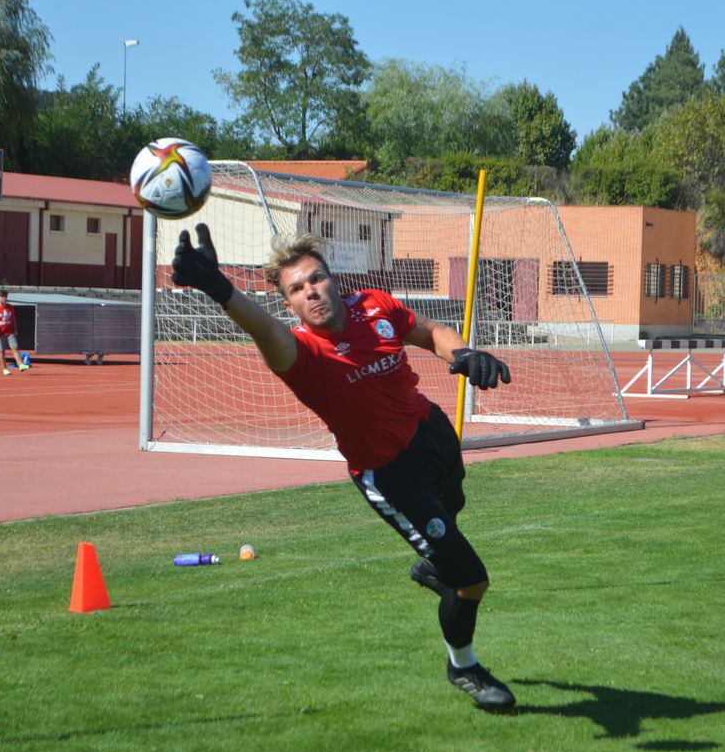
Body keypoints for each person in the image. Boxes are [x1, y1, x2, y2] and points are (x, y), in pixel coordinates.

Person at [173, 224, 516, 711]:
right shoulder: (299, 353)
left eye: (316, 278)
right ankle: (463, 665)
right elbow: (263, 329)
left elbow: (429, 331)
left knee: (452, 509)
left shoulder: (374, 305)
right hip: (390, 475)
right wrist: (217, 286)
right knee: (470, 579)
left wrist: (462, 351)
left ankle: (432, 563)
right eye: (297, 289)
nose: (311, 291)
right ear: (289, 304)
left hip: (432, 434)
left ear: (334, 280)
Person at [0, 290, 28, 376]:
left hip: (10, 332)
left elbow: (14, 319)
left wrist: (15, 329)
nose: (5, 298)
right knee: (1, 352)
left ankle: (21, 365)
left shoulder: (10, 307)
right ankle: (5, 369)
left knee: (15, 347)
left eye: (6, 296)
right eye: (2, 297)